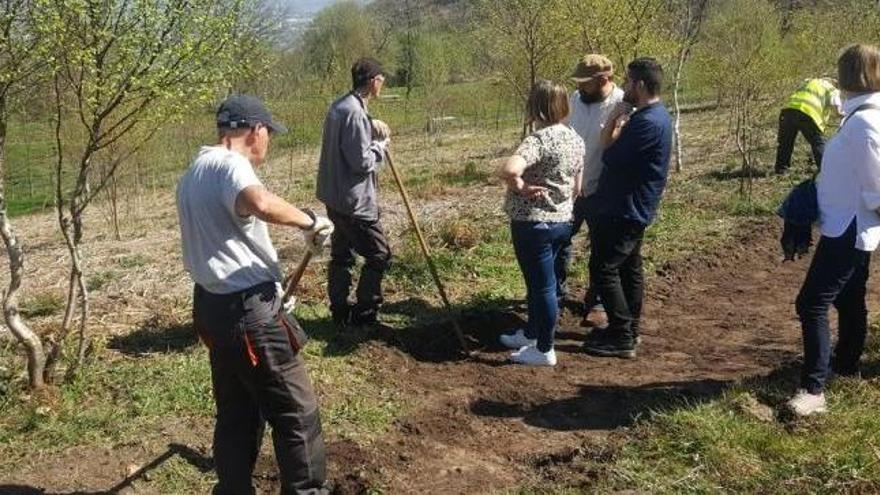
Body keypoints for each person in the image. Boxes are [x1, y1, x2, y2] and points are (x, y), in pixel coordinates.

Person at [176, 94, 332, 495]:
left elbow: (227, 241)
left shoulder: (193, 171)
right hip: (248, 315)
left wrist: (271, 288)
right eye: (269, 134)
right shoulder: (230, 164)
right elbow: (258, 202)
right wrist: (309, 221)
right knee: (296, 414)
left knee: (237, 412)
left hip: (213, 307)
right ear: (256, 130)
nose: (269, 143)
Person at [787, 44, 880, 417]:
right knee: (849, 298)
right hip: (848, 223)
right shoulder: (861, 117)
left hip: (848, 228)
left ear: (847, 76)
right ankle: (846, 366)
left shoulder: (863, 125)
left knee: (811, 302)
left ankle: (814, 389)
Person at [581, 57, 673, 359]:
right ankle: (630, 329)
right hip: (633, 206)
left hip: (625, 208)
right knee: (629, 267)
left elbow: (608, 153)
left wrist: (613, 120)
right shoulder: (655, 117)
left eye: (629, 82)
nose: (625, 88)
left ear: (641, 85)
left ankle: (621, 334)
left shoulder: (646, 123)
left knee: (603, 268)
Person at [497, 80, 585, 366]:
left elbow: (510, 169)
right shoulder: (575, 138)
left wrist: (521, 186)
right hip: (562, 221)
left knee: (543, 287)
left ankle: (545, 349)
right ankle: (532, 333)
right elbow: (577, 186)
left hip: (533, 223)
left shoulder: (539, 140)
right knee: (540, 284)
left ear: (535, 107)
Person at [317, 57, 393, 327]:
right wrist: (380, 146)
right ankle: (365, 311)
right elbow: (361, 163)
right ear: (373, 82)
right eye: (382, 80)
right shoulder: (354, 113)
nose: (382, 84)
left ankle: (339, 309)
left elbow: (351, 135)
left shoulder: (340, 105)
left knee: (342, 253)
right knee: (379, 254)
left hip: (334, 197)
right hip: (354, 202)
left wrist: (371, 125)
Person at [556, 53, 626, 329]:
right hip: (571, 190)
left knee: (601, 249)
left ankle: (596, 302)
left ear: (604, 80)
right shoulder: (575, 101)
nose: (581, 87)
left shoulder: (621, 106)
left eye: (586, 82)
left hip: (602, 192)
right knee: (560, 242)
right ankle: (557, 296)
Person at [775, 77, 842, 174]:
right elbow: (837, 110)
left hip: (788, 111)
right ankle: (826, 171)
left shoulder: (809, 82)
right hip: (808, 113)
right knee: (818, 142)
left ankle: (781, 170)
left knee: (785, 143)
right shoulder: (832, 89)